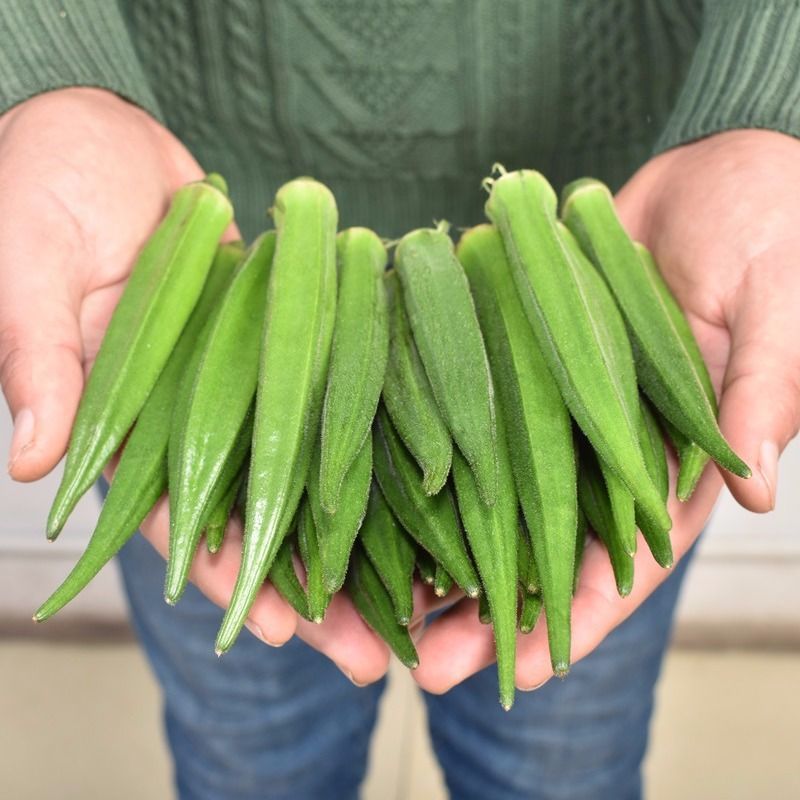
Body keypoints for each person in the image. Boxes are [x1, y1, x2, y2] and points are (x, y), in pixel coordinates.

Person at [2, 2, 798, 798]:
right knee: (253, 762)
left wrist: (765, 110)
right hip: (198, 289)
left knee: (559, 768)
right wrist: (50, 77)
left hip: (608, 261)